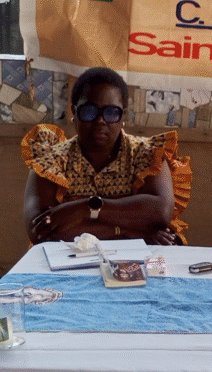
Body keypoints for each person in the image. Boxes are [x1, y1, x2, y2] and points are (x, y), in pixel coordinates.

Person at [22, 67, 191, 245]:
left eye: (111, 112)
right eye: (89, 111)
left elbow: (160, 213)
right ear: (74, 112)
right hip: (65, 264)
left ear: (123, 115)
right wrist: (129, 232)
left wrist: (85, 208)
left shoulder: (147, 153)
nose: (100, 120)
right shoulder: (50, 161)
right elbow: (40, 233)